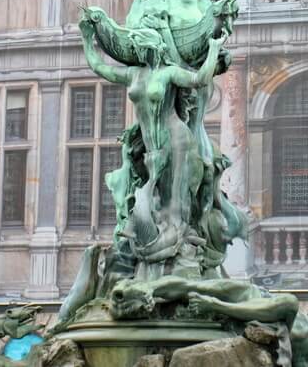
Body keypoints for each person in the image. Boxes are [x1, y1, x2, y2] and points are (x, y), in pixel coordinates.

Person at [80, 14, 225, 267]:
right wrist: (87, 37)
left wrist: (213, 50)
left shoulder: (169, 73)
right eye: (135, 47)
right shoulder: (134, 74)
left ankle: (182, 254)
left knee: (175, 205)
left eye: (140, 46)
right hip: (150, 145)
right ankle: (149, 248)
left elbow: (199, 79)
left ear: (153, 47)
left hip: (177, 140)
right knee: (151, 198)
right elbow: (99, 67)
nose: (137, 51)